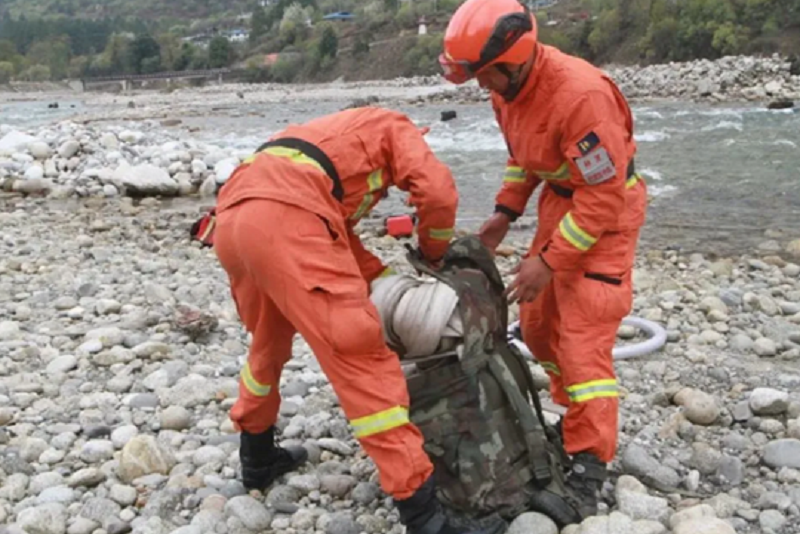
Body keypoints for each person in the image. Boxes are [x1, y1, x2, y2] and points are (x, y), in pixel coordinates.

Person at [211, 106, 490, 534]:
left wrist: (382, 278)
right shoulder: (396, 128)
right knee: (361, 353)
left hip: (232, 219)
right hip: (288, 219)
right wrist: (434, 255)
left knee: (268, 340)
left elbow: (334, 236)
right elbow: (438, 194)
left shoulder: (331, 139)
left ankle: (257, 458)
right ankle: (425, 515)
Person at [439, 0, 648, 518]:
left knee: (582, 345)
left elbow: (602, 197)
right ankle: (575, 416)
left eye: (487, 77)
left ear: (517, 59)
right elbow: (523, 156)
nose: (484, 89)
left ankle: (587, 469)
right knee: (536, 329)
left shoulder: (582, 97)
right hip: (564, 204)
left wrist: (549, 262)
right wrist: (504, 214)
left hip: (607, 210)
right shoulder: (509, 90)